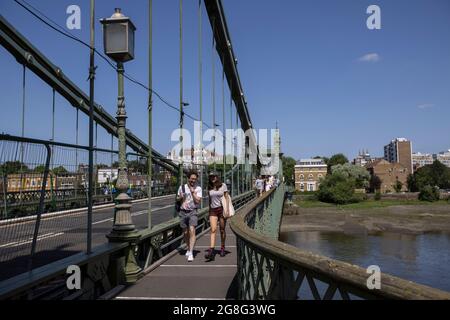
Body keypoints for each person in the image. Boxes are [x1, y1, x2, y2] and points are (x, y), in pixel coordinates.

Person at [177, 171, 202, 262]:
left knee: (192, 230)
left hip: (193, 212)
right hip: (183, 212)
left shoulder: (198, 188)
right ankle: (188, 248)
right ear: (188, 178)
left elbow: (198, 201)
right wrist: (180, 197)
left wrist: (193, 193)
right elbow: (178, 198)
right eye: (192, 179)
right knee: (185, 233)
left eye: (195, 179)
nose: (193, 181)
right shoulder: (182, 187)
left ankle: (191, 252)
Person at [205, 171, 229, 261]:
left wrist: (226, 210)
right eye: (211, 177)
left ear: (217, 177)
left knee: (222, 230)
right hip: (213, 210)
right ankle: (211, 251)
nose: (212, 178)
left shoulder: (223, 185)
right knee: (213, 229)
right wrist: (209, 211)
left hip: (221, 209)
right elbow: (210, 200)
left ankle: (222, 247)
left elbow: (226, 197)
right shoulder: (209, 187)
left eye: (214, 176)